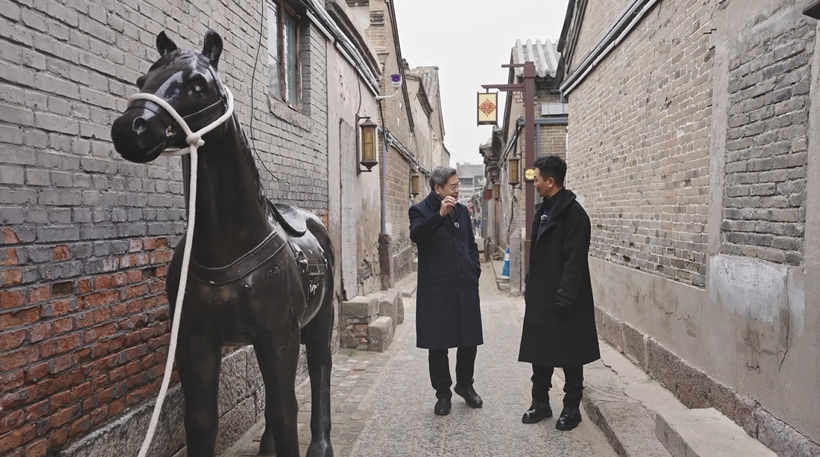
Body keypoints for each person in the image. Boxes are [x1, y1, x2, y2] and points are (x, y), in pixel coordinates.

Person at [518, 154, 600, 431]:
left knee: (570, 354)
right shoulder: (543, 211)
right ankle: (540, 402)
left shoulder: (575, 214)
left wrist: (565, 297)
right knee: (540, 352)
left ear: (551, 181)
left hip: (566, 297)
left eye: (537, 179)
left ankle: (571, 408)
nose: (534, 183)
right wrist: (531, 284)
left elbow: (575, 261)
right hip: (541, 296)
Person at [409, 166, 484, 416]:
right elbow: (417, 235)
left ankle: (465, 384)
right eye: (453, 186)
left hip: (465, 285)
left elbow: (470, 245)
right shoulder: (420, 210)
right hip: (437, 290)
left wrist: (474, 270)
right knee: (438, 343)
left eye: (458, 185)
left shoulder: (461, 210)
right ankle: (443, 394)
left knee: (468, 340)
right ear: (438, 188)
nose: (457, 190)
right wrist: (440, 215)